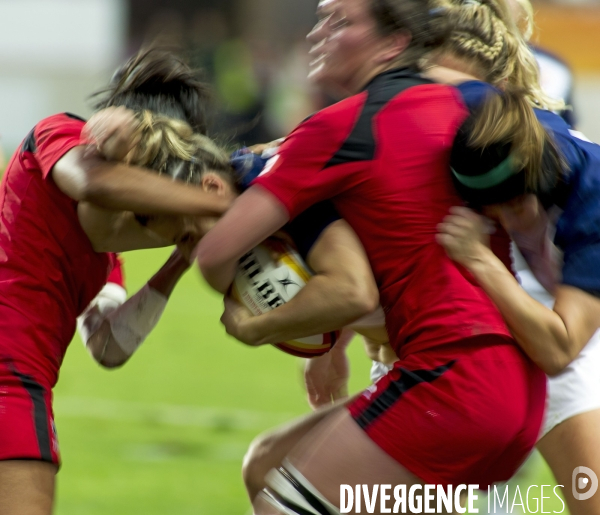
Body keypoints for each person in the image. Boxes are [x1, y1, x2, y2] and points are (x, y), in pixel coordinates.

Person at [195, 0, 546, 513]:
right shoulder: (465, 107)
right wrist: (331, 341)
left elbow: (215, 255)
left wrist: (258, 320)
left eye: (340, 21)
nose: (318, 33)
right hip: (517, 387)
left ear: (394, 43)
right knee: (269, 463)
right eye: (319, 19)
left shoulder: (339, 128)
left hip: (451, 384)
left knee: (284, 504)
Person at [0, 47, 244, 515]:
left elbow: (108, 345)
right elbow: (94, 183)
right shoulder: (64, 135)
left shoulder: (110, 250)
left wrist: (178, 260)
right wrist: (215, 206)